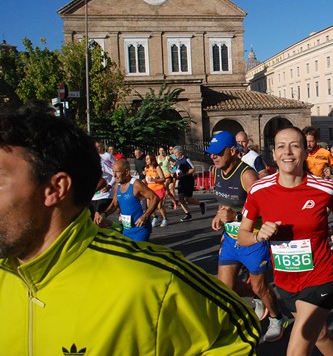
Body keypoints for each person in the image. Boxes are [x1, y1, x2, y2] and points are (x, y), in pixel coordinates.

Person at [0, 110, 260, 354]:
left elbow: (237, 333)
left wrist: (147, 216)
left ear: (55, 189)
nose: (213, 157)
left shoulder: (155, 280)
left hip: (162, 233)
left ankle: (271, 308)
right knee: (227, 283)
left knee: (253, 285)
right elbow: (115, 201)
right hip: (208, 233)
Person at [238, 126, 333, 356]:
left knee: (297, 347)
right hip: (285, 281)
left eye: (295, 145)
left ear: (305, 152)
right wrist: (259, 235)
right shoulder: (259, 190)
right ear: (274, 153)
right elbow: (243, 235)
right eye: (281, 146)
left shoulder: (324, 188)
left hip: (320, 276)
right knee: (319, 334)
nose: (287, 152)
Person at [207, 131, 286, 342]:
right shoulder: (216, 172)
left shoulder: (246, 175)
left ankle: (278, 318)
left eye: (218, 153)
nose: (213, 157)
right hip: (232, 239)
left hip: (252, 239)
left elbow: (266, 208)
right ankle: (253, 296)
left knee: (260, 286)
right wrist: (220, 215)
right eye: (211, 154)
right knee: (226, 286)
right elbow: (223, 200)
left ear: (233, 151)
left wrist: (236, 215)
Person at [95, 159, 159, 242]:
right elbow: (115, 204)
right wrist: (104, 214)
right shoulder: (117, 185)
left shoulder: (136, 185)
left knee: (138, 253)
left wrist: (145, 216)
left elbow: (155, 198)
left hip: (140, 229)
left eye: (117, 172)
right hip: (127, 230)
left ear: (126, 172)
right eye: (113, 171)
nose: (114, 175)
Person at [173, 146, 206, 221]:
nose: (175, 155)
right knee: (181, 198)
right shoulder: (177, 161)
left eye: (175, 153)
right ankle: (187, 214)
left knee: (188, 199)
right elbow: (177, 170)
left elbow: (193, 169)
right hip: (181, 181)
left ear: (180, 153)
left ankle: (201, 204)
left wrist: (184, 174)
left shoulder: (186, 159)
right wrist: (175, 175)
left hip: (188, 181)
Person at [90, 140, 115, 216]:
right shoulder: (91, 159)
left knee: (99, 218)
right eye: (95, 147)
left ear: (103, 147)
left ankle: (115, 226)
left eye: (99, 146)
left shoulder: (106, 157)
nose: (97, 148)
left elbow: (115, 171)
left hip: (104, 194)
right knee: (93, 220)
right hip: (93, 195)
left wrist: (109, 185)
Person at [144, 153, 169, 227]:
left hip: (158, 188)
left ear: (152, 159)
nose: (146, 160)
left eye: (148, 159)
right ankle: (155, 217)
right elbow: (147, 179)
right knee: (149, 206)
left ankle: (165, 219)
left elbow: (163, 178)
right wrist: (144, 181)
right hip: (150, 189)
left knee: (159, 206)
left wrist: (154, 179)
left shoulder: (157, 168)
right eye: (146, 159)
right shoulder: (146, 168)